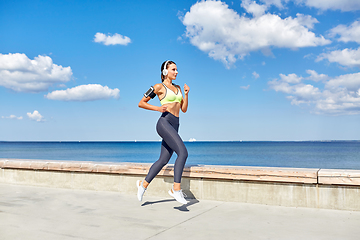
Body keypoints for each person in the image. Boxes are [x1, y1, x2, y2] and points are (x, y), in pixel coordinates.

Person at [137, 60, 190, 204]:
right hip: (164, 123)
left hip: (175, 124)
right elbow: (141, 103)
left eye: (177, 69)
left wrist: (185, 95)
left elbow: (183, 109)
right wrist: (158, 108)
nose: (176, 72)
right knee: (183, 153)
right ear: (165, 72)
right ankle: (176, 189)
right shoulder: (158, 87)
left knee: (163, 160)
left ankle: (143, 185)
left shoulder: (178, 87)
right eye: (173, 69)